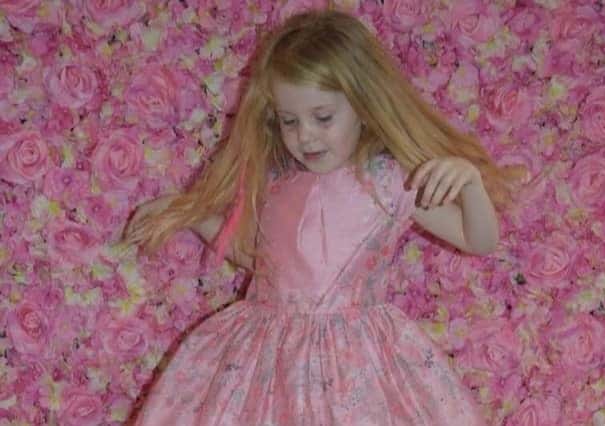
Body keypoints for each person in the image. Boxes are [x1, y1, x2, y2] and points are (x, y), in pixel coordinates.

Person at [121, 9, 521, 426]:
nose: (305, 135)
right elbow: (260, 258)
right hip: (265, 364)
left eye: (323, 117)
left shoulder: (392, 181)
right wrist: (187, 214)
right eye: (289, 121)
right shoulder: (278, 182)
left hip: (354, 368)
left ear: (363, 106)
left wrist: (470, 185)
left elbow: (479, 240)